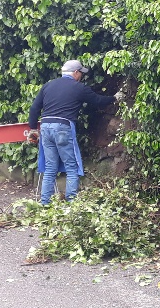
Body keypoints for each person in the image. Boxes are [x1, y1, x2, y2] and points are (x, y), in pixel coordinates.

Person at [28, 59, 116, 205]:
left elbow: (34, 109)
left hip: (45, 127)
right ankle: (71, 204)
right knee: (71, 167)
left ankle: (44, 204)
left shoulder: (48, 85)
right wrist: (114, 98)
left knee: (50, 167)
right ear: (75, 72)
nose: (81, 76)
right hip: (62, 127)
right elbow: (98, 101)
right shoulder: (79, 87)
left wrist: (32, 129)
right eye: (81, 73)